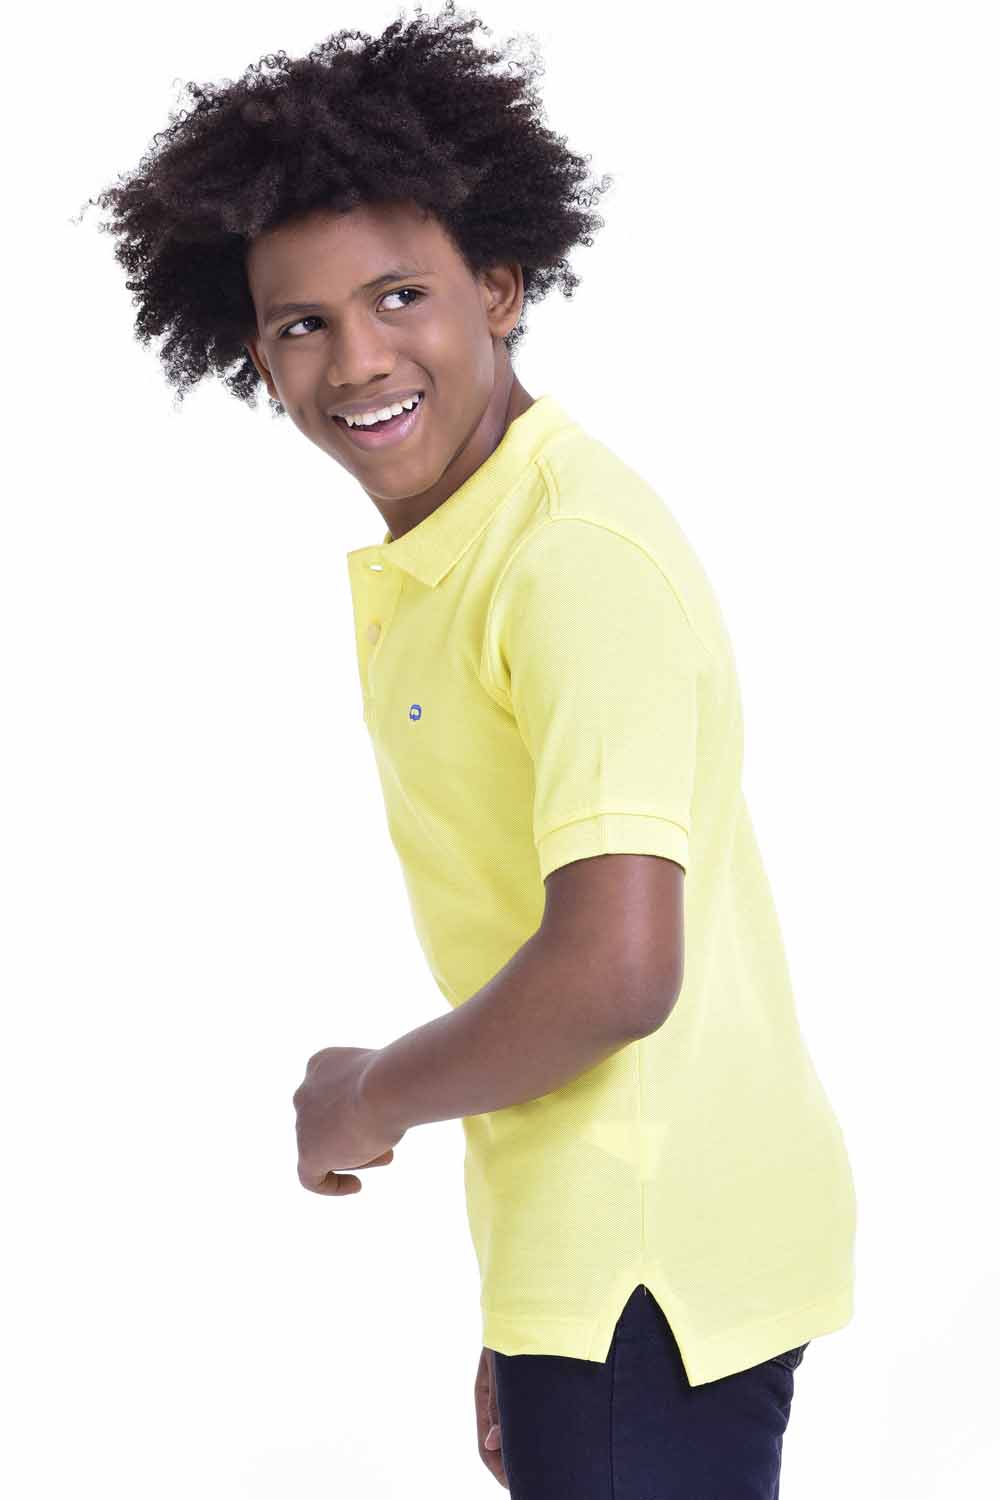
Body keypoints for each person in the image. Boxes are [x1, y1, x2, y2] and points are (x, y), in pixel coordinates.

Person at [84, 5, 857, 1494]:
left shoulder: (567, 559)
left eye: (401, 297)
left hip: (654, 1262)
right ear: (253, 352)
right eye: (302, 323)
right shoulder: (474, 540)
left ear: (498, 289)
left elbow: (616, 974)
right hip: (610, 1255)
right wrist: (533, 1296)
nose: (357, 359)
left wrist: (367, 1095)